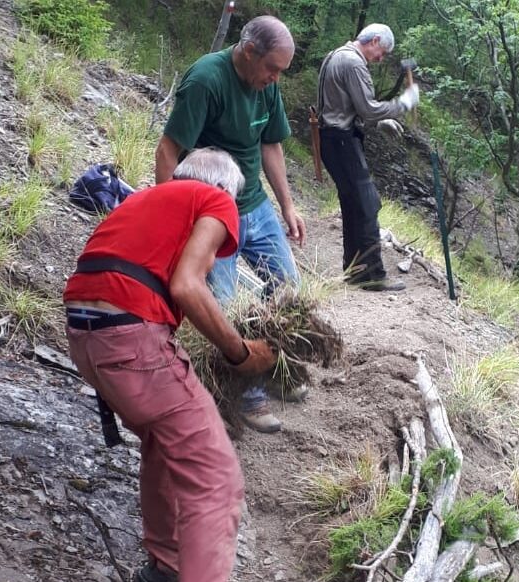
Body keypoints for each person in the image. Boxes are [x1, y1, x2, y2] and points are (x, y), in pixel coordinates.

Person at [63, 148, 284, 582]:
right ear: (225, 192)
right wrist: (238, 352)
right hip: (132, 338)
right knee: (216, 476)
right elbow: (189, 284)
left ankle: (164, 563)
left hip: (86, 338)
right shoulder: (216, 200)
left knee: (164, 442)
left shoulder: (147, 201)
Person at [154, 15, 306, 434]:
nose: (276, 79)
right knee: (224, 304)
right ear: (248, 51)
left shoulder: (267, 86)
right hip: (211, 210)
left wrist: (287, 207)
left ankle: (279, 371)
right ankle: (247, 396)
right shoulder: (207, 79)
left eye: (282, 71)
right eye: (272, 68)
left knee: (289, 292)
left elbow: (270, 143)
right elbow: (169, 150)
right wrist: (169, 218)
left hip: (255, 206)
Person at [317, 24, 420, 291]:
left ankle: (355, 273)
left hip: (334, 139)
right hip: (341, 141)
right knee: (367, 205)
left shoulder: (337, 55)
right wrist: (403, 104)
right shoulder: (353, 62)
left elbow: (347, 106)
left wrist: (375, 123)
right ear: (374, 40)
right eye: (381, 52)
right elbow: (368, 108)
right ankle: (371, 275)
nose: (380, 59)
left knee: (354, 206)